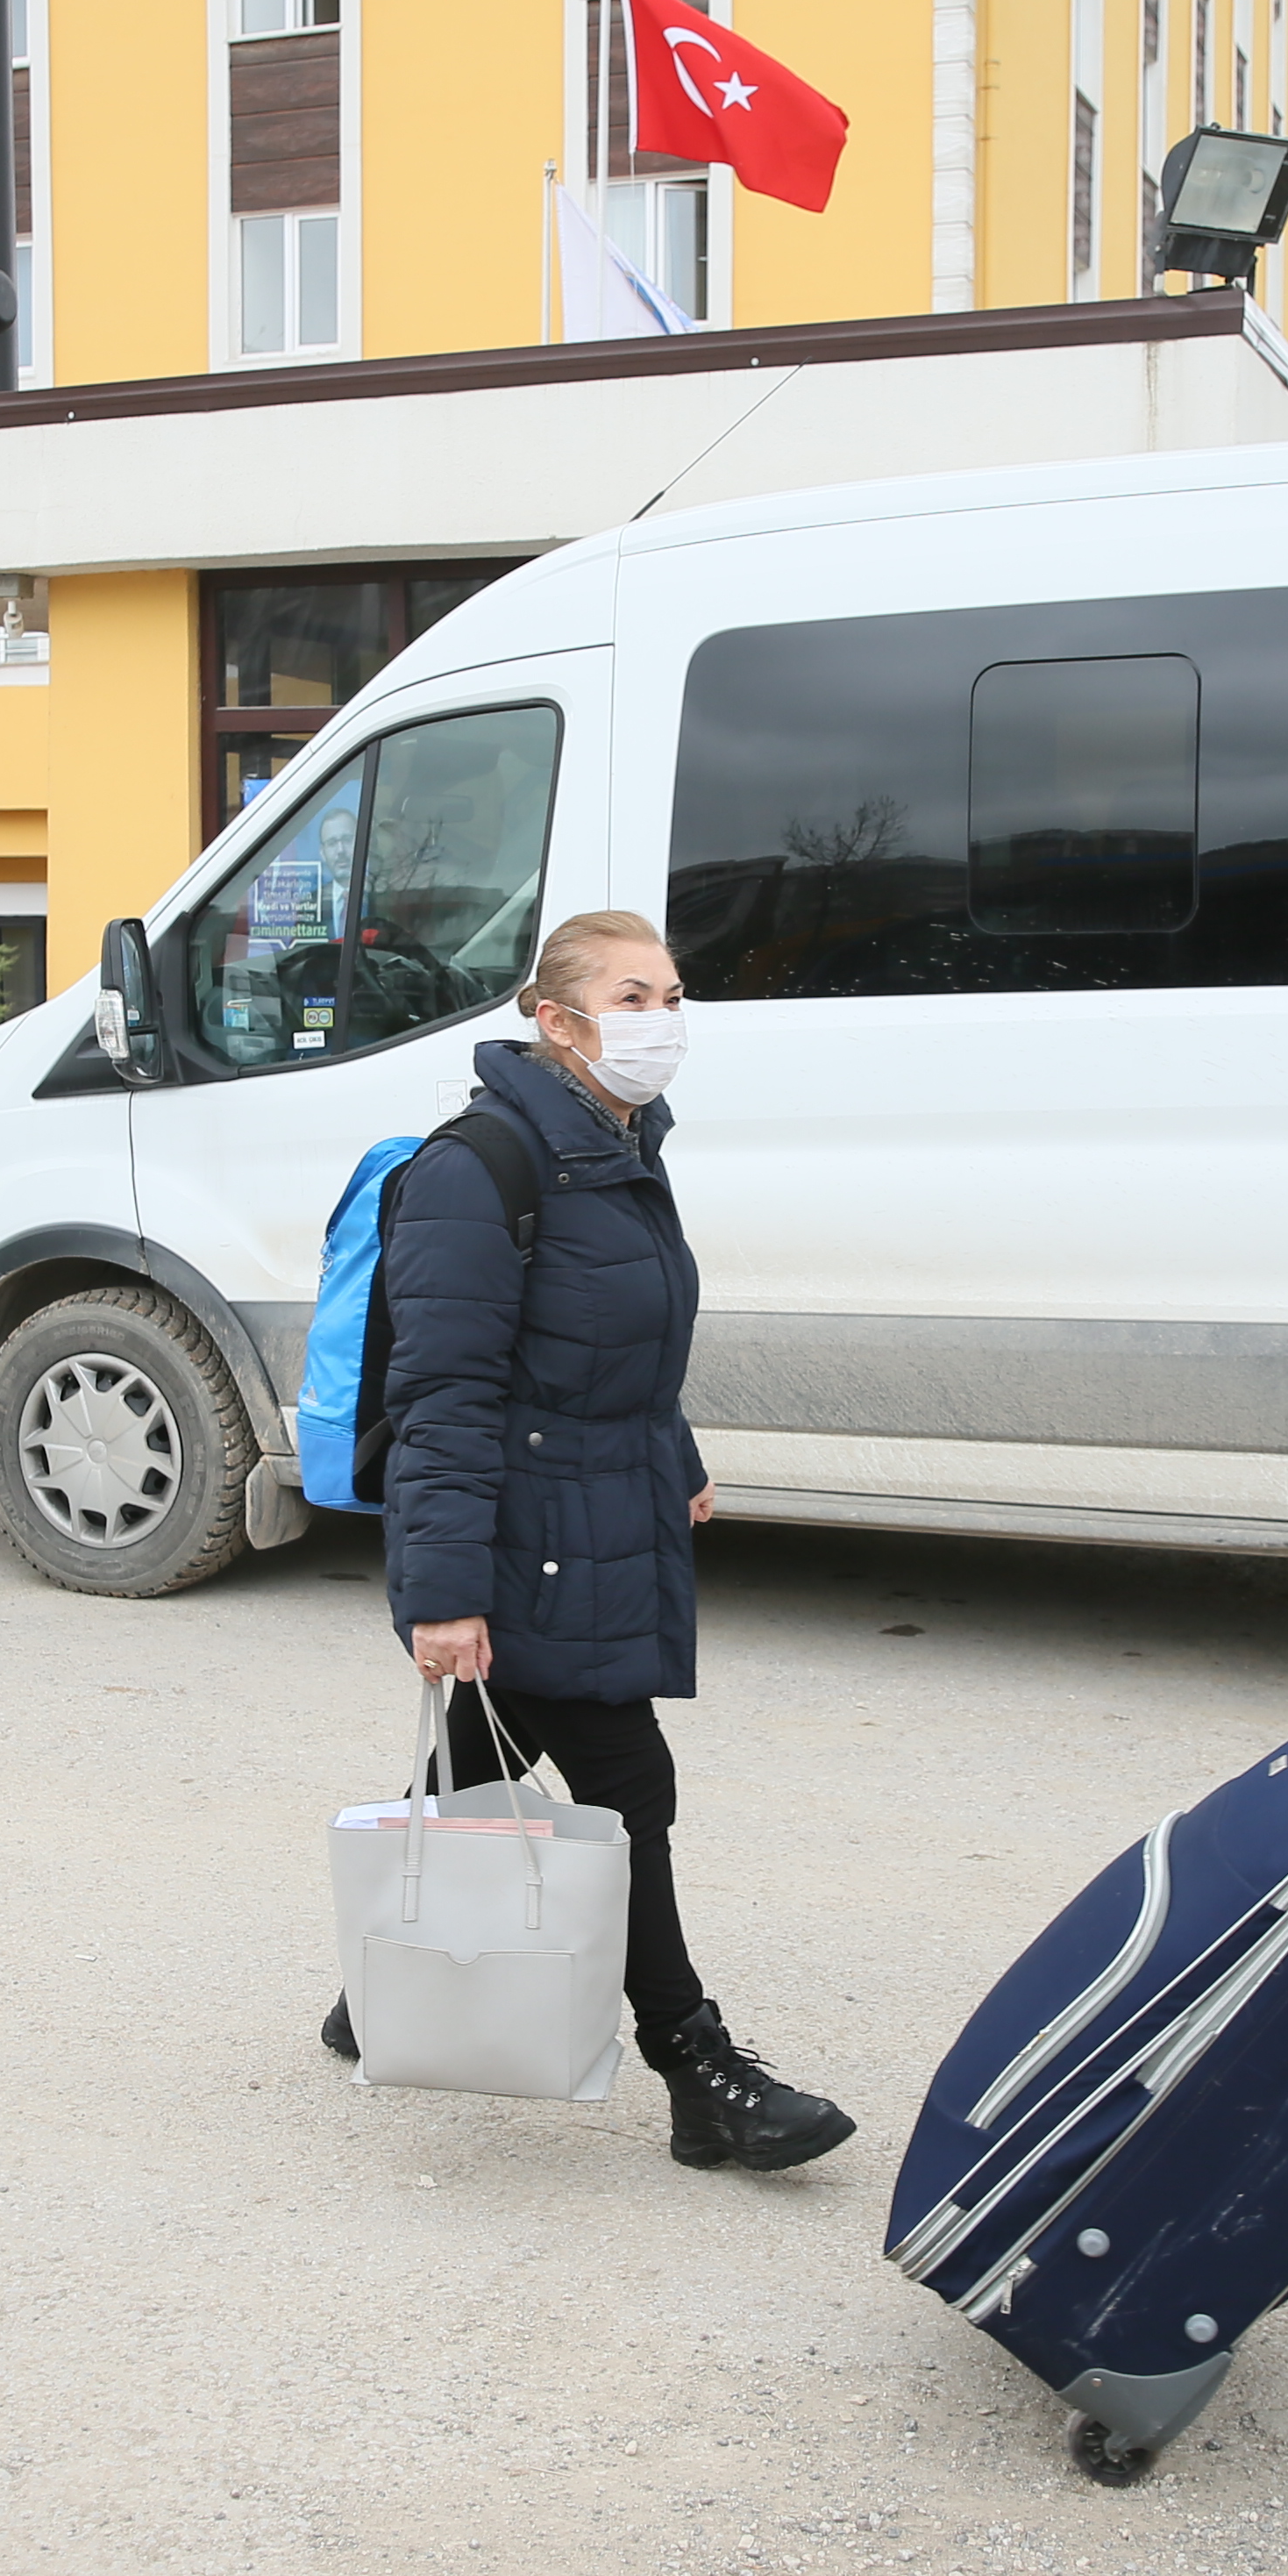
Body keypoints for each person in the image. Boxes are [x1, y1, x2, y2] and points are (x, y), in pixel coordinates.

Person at [348, 910, 854, 2173]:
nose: (663, 1022)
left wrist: (671, 1460)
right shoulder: (482, 1168)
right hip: (525, 1540)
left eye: (673, 995)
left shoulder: (617, 1142)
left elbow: (621, 1343)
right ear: (556, 1019)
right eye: (634, 997)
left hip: (597, 1510)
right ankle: (700, 2072)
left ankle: (376, 1986)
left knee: (478, 1762)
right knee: (629, 1785)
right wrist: (446, 1592)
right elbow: (443, 1396)